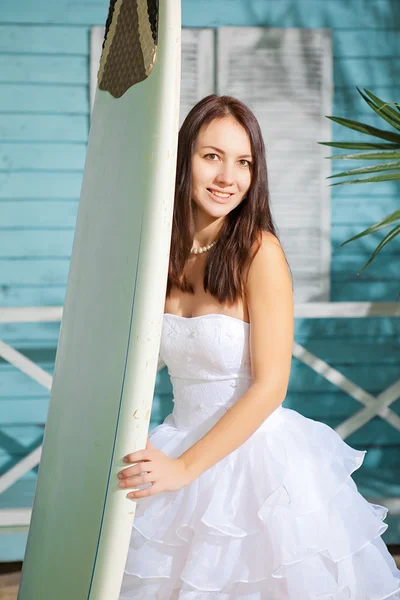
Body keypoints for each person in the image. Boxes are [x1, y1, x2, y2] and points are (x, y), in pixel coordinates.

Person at [118, 95, 400, 599]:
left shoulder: (258, 251)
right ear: (182, 159)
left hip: (255, 465)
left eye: (243, 162)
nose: (228, 176)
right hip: (175, 443)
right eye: (212, 156)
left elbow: (270, 387)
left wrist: (184, 469)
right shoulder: (160, 254)